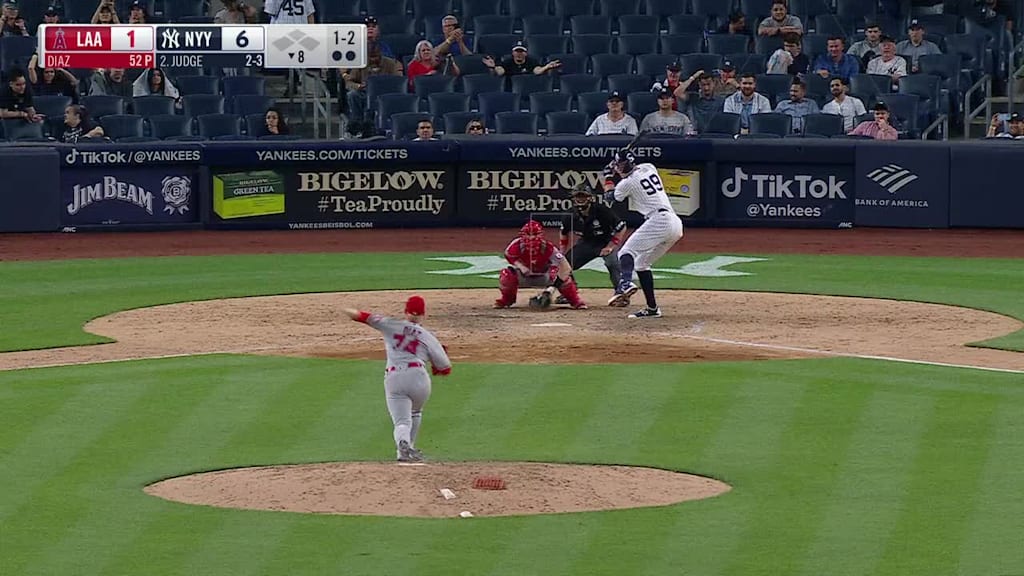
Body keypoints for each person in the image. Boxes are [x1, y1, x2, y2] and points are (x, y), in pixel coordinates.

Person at [342, 295, 452, 463]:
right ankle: (408, 450)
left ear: (406, 311)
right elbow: (445, 366)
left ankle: (403, 445)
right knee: (415, 412)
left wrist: (343, 308)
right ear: (423, 314)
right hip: (419, 378)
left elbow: (360, 316)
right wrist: (433, 364)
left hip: (395, 378)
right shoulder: (428, 336)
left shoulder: (390, 324)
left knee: (402, 421)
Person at [602, 150, 683, 319]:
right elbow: (631, 173)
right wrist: (617, 167)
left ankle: (624, 283)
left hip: (659, 220)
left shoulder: (627, 183)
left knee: (625, 253)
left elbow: (609, 198)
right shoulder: (649, 167)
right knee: (641, 264)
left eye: (621, 166)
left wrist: (608, 176)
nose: (619, 169)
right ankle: (652, 309)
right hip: (675, 223)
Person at [557, 183, 627, 306]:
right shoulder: (569, 215)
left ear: (590, 197)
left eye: (583, 196)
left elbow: (621, 227)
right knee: (563, 264)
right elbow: (564, 233)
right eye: (577, 196)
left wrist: (610, 246)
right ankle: (569, 292)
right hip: (587, 243)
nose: (580, 199)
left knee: (613, 263)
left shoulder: (602, 210)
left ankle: (621, 294)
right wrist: (561, 252)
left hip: (605, 241)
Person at [494, 220, 587, 309]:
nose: (531, 238)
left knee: (561, 273)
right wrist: (521, 267)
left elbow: (566, 267)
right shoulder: (516, 245)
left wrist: (551, 289)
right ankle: (506, 300)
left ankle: (575, 301)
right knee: (506, 275)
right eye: (528, 234)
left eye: (534, 234)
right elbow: (508, 255)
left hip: (544, 276)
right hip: (524, 276)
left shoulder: (548, 247)